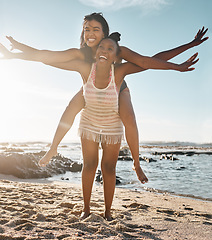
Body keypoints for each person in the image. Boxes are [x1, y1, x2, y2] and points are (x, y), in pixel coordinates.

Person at [0, 13, 208, 184]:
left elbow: (148, 60)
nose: (90, 33)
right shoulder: (80, 54)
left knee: (129, 119)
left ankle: (136, 163)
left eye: (95, 29)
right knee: (71, 107)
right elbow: (47, 56)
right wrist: (17, 49)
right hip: (91, 89)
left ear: (105, 34)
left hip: (118, 88)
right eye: (86, 29)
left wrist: (188, 47)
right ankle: (54, 147)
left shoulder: (118, 51)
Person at [31, 32, 197, 220]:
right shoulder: (87, 66)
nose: (104, 50)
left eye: (110, 49)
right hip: (90, 115)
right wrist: (20, 53)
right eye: (102, 47)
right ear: (95, 52)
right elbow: (51, 58)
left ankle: (114, 201)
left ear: (116, 56)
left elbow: (151, 61)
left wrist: (184, 55)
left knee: (110, 165)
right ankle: (85, 207)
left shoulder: (120, 70)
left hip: (112, 114)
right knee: (89, 163)